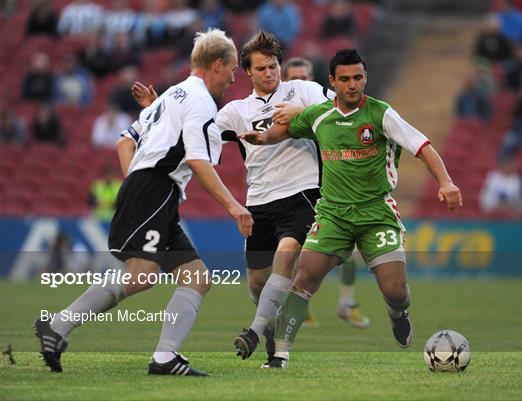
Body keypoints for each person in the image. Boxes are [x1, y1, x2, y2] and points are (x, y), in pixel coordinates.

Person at [34, 28, 253, 377]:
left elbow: (125, 142)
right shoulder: (199, 101)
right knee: (141, 276)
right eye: (232, 69)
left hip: (153, 191)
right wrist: (234, 206)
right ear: (216, 64)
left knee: (196, 277)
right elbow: (197, 160)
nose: (233, 77)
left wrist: (135, 180)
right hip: (155, 190)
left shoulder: (167, 98)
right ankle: (58, 325)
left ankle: (165, 358)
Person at [240, 49, 462, 368]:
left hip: (376, 214)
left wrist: (446, 182)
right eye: (344, 79)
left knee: (396, 290)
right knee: (303, 278)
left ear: (365, 78)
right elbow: (287, 128)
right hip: (333, 215)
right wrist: (262, 139)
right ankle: (280, 355)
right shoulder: (319, 115)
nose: (352, 85)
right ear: (332, 81)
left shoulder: (380, 114)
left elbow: (422, 146)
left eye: (358, 77)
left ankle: (399, 315)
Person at [131, 32, 341, 364]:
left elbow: (343, 108)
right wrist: (155, 109)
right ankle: (270, 328)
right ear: (247, 72)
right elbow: (195, 129)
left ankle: (257, 335)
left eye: (273, 66)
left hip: (302, 194)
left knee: (285, 259)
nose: (269, 73)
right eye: (261, 69)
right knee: (258, 283)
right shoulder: (236, 111)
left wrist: (302, 111)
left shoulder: (303, 90)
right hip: (259, 201)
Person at [282, 57, 370, 329]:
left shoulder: (327, 113)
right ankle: (297, 304)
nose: (302, 83)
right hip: (298, 190)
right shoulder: (284, 114)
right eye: (296, 79)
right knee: (296, 251)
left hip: (333, 188)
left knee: (351, 251)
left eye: (306, 78)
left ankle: (345, 303)